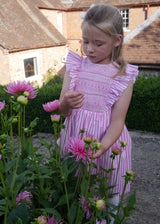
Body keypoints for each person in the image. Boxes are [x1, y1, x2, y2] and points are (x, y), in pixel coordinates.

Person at [58, 3, 138, 223]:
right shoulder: (75, 66)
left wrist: (103, 147)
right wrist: (66, 102)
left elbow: (118, 120)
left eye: (98, 43)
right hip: (76, 140)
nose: (89, 49)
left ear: (117, 41)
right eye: (85, 41)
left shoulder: (123, 75)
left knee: (109, 194)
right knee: (76, 190)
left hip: (108, 143)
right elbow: (63, 112)